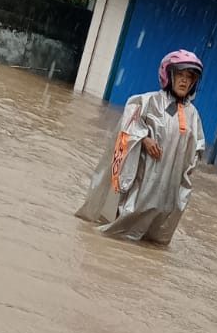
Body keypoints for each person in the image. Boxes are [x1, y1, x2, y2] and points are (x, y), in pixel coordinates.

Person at [76, 50, 205, 245]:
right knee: (122, 227)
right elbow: (126, 129)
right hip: (142, 178)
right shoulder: (145, 101)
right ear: (168, 75)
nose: (184, 81)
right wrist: (143, 138)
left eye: (190, 77)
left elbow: (196, 150)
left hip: (168, 187)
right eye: (180, 75)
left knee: (155, 238)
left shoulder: (193, 115)